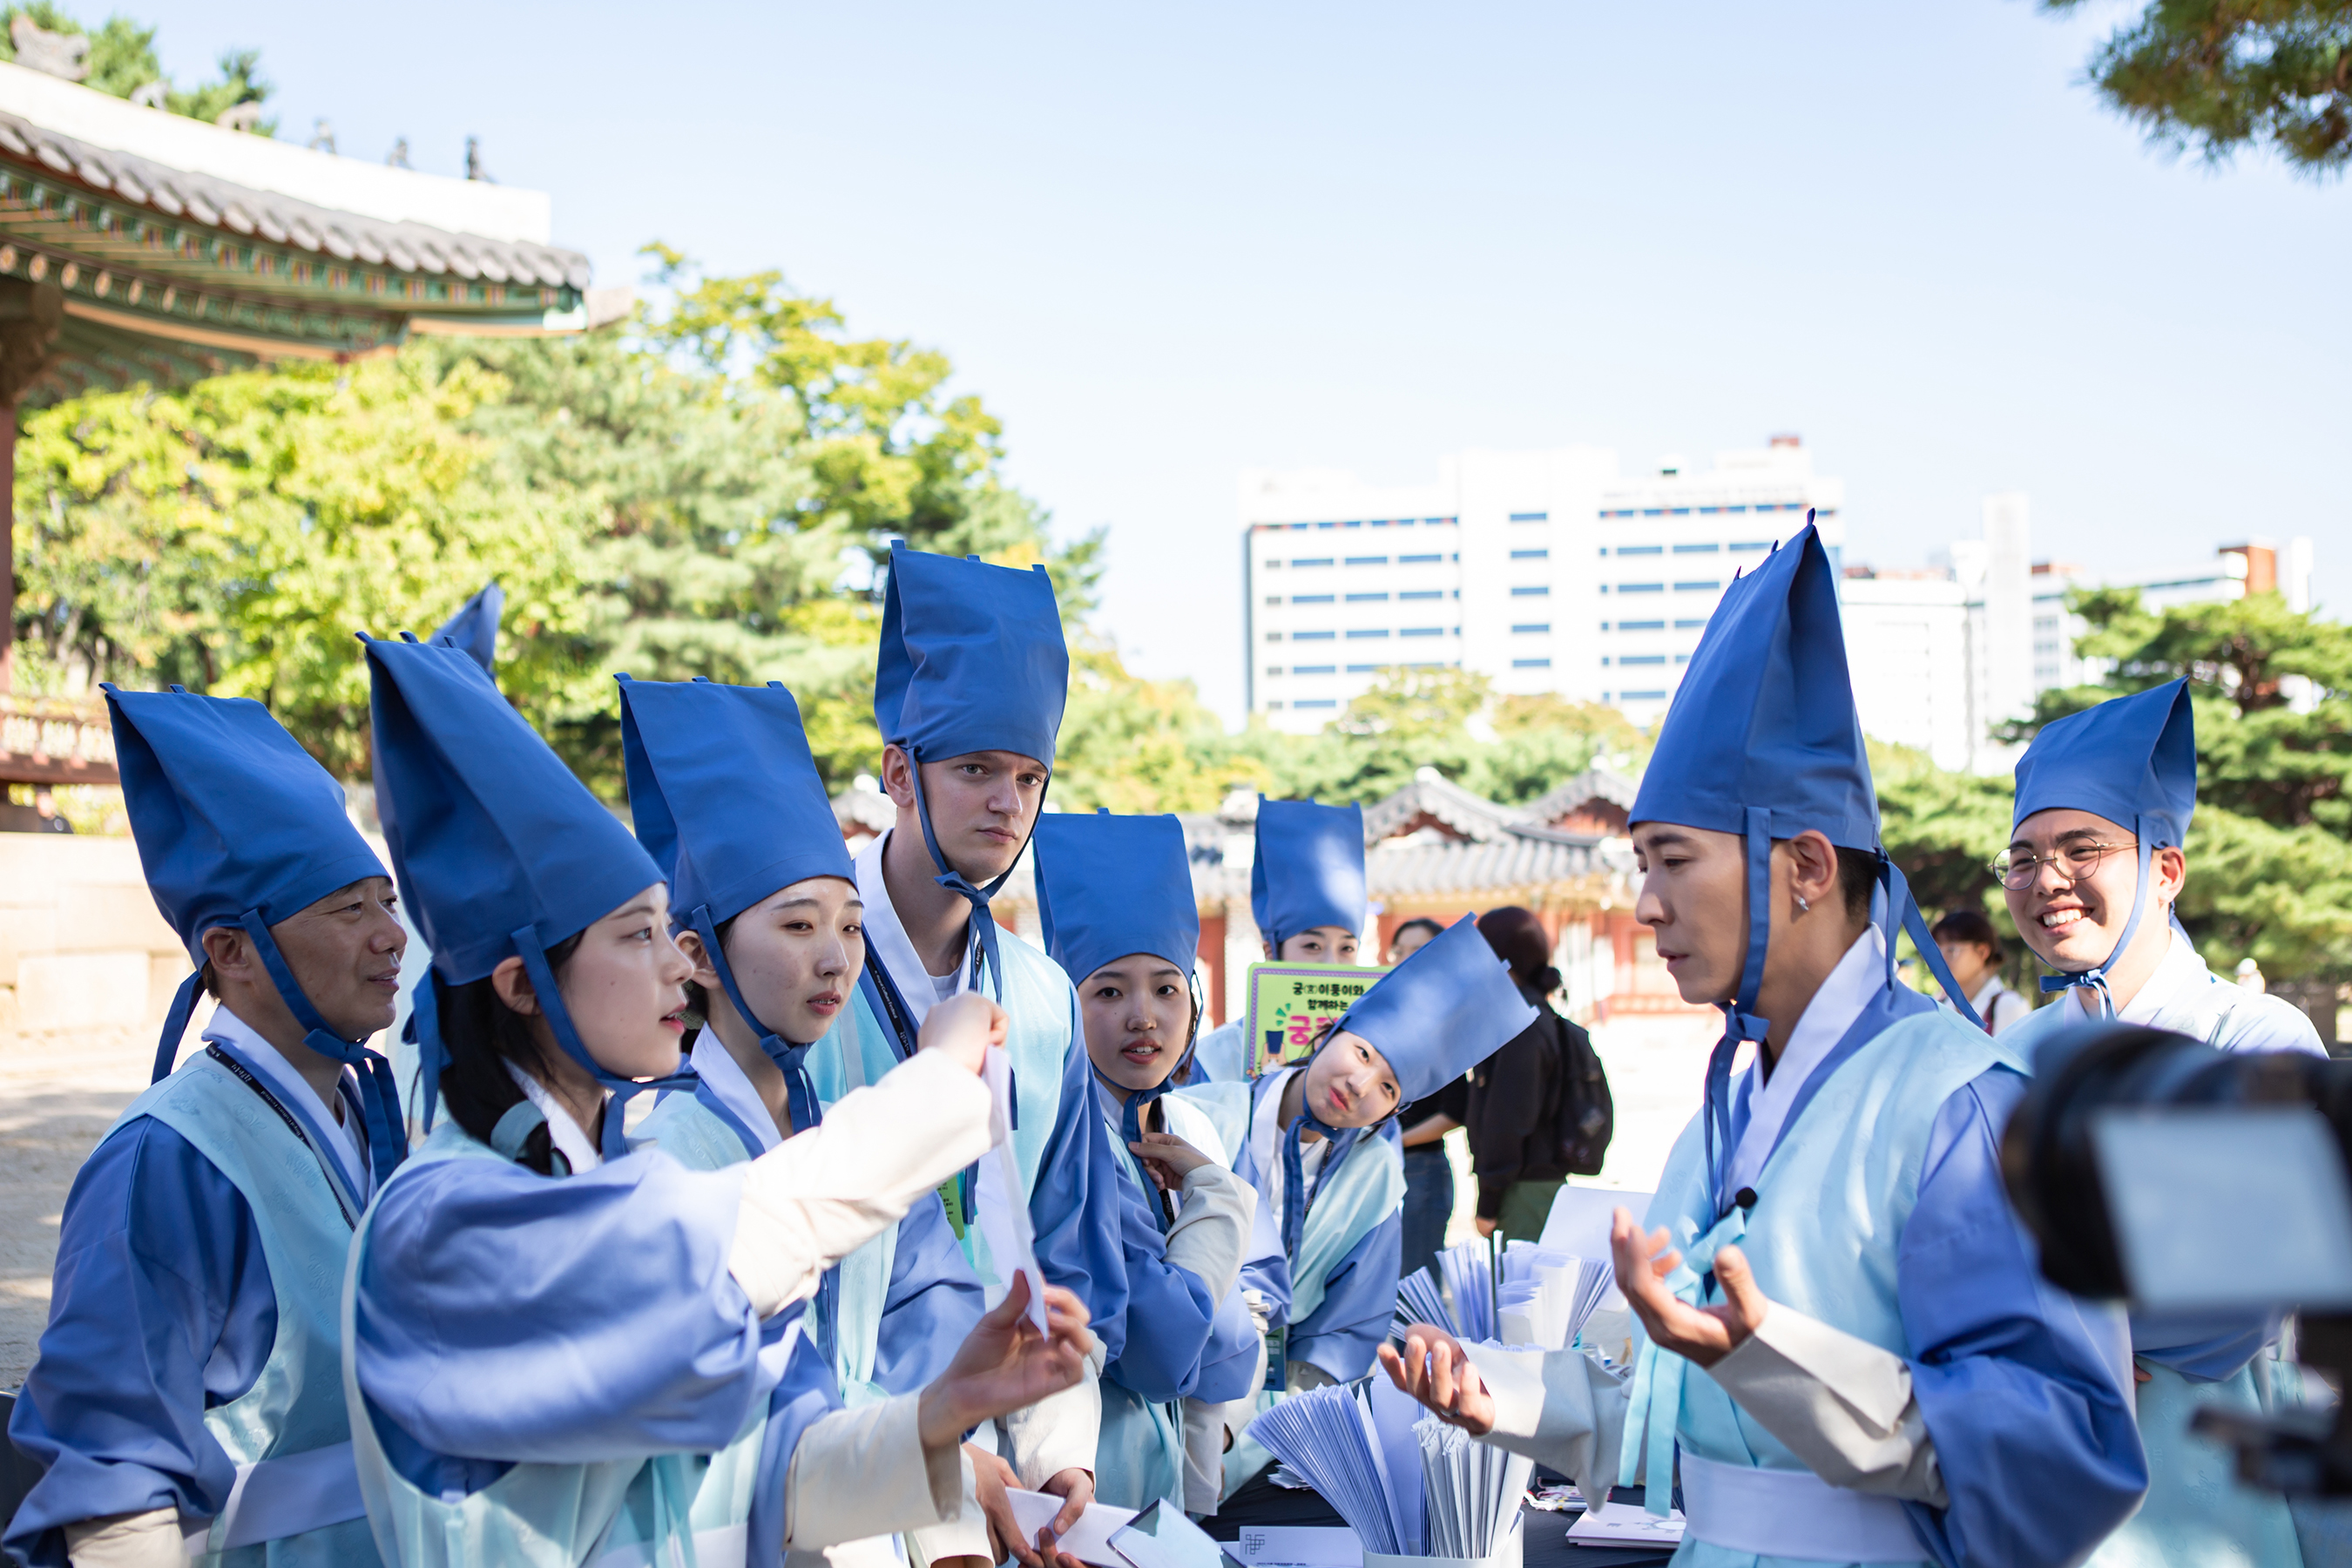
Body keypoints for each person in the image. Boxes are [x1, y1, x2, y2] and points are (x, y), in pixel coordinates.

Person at [1381, 523, 2146, 1568]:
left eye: (1674, 860)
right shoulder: (1729, 1106)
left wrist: (1772, 1356)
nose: (1646, 905)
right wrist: (1501, 1392)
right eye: (1642, 866)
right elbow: (1675, 1407)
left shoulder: (1963, 1103)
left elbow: (2065, 1453)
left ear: (1809, 868)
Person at [345, 632, 1095, 1568]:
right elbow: (719, 1252)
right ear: (524, 984)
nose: (675, 963)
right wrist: (940, 1085)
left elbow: (755, 1478)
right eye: (637, 935)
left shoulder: (593, 1175)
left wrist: (945, 1411)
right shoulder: (443, 1217)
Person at [615, 672, 1013, 1568]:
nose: (836, 959)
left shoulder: (839, 1124)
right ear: (697, 956)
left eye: (851, 926)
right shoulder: (660, 1150)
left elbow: (931, 1300)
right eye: (798, 927)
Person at [8, 686, 407, 1567]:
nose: (392, 936)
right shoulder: (167, 1160)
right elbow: (115, 1488)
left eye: (387, 902)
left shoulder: (368, 1119)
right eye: (351, 909)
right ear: (231, 951)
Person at [1999, 677, 2323, 1568]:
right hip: (2033, 1491)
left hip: (2206, 1499)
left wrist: (2033, 1322)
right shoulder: (2008, 1055)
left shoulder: (2254, 1040)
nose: (2047, 880)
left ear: (2166, 870)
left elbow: (2230, 1298)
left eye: (2083, 849)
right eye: (2022, 858)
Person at [845, 543, 1121, 1533]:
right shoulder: (805, 979)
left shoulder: (1042, 999)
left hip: (1012, 1466)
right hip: (846, 1459)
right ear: (899, 772)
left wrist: (1061, 1455)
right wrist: (927, 1442)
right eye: (975, 770)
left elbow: (1066, 1247)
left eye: (1029, 777)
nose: (1009, 804)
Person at [1177, 915, 1538, 1503]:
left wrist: (1244, 1437)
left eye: (1389, 1088)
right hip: (1164, 1390)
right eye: (1362, 1051)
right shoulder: (1199, 1116)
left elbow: (1343, 1335)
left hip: (1269, 1428)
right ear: (1331, 1031)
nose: (1360, 1084)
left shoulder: (1376, 1178)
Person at [1031, 809, 1261, 1516]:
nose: (1145, 1017)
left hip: (1179, 1474)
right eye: (1108, 990)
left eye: (1166, 987)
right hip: (1084, 1481)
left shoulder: (1191, 1124)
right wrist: (1219, 1199)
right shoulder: (1059, 1136)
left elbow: (1248, 1311)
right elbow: (1162, 1347)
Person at [1187, 799, 1369, 1084]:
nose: (1331, 964)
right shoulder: (1215, 1059)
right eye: (1312, 946)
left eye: (1346, 948)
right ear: (1271, 953)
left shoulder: (1370, 1059)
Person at [1463, 907, 1580, 1242]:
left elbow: (1508, 1122)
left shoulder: (1522, 1024)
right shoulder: (1534, 1014)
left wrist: (1488, 1203)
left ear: (1499, 957)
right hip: (1534, 1185)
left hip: (1523, 1190)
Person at [1386, 919, 1465, 1282]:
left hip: (1422, 1170)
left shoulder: (1444, 1023)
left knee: (1416, 1285)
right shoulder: (1384, 1014)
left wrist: (1394, 1141)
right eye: (1399, 951)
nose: (1405, 959)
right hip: (1379, 1166)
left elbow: (1455, 1111)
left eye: (1417, 951)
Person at [1927, 909, 2029, 1035]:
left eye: (1951, 950)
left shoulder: (2008, 1006)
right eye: (1936, 950)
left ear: (1982, 952)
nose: (1941, 958)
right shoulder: (1938, 1008)